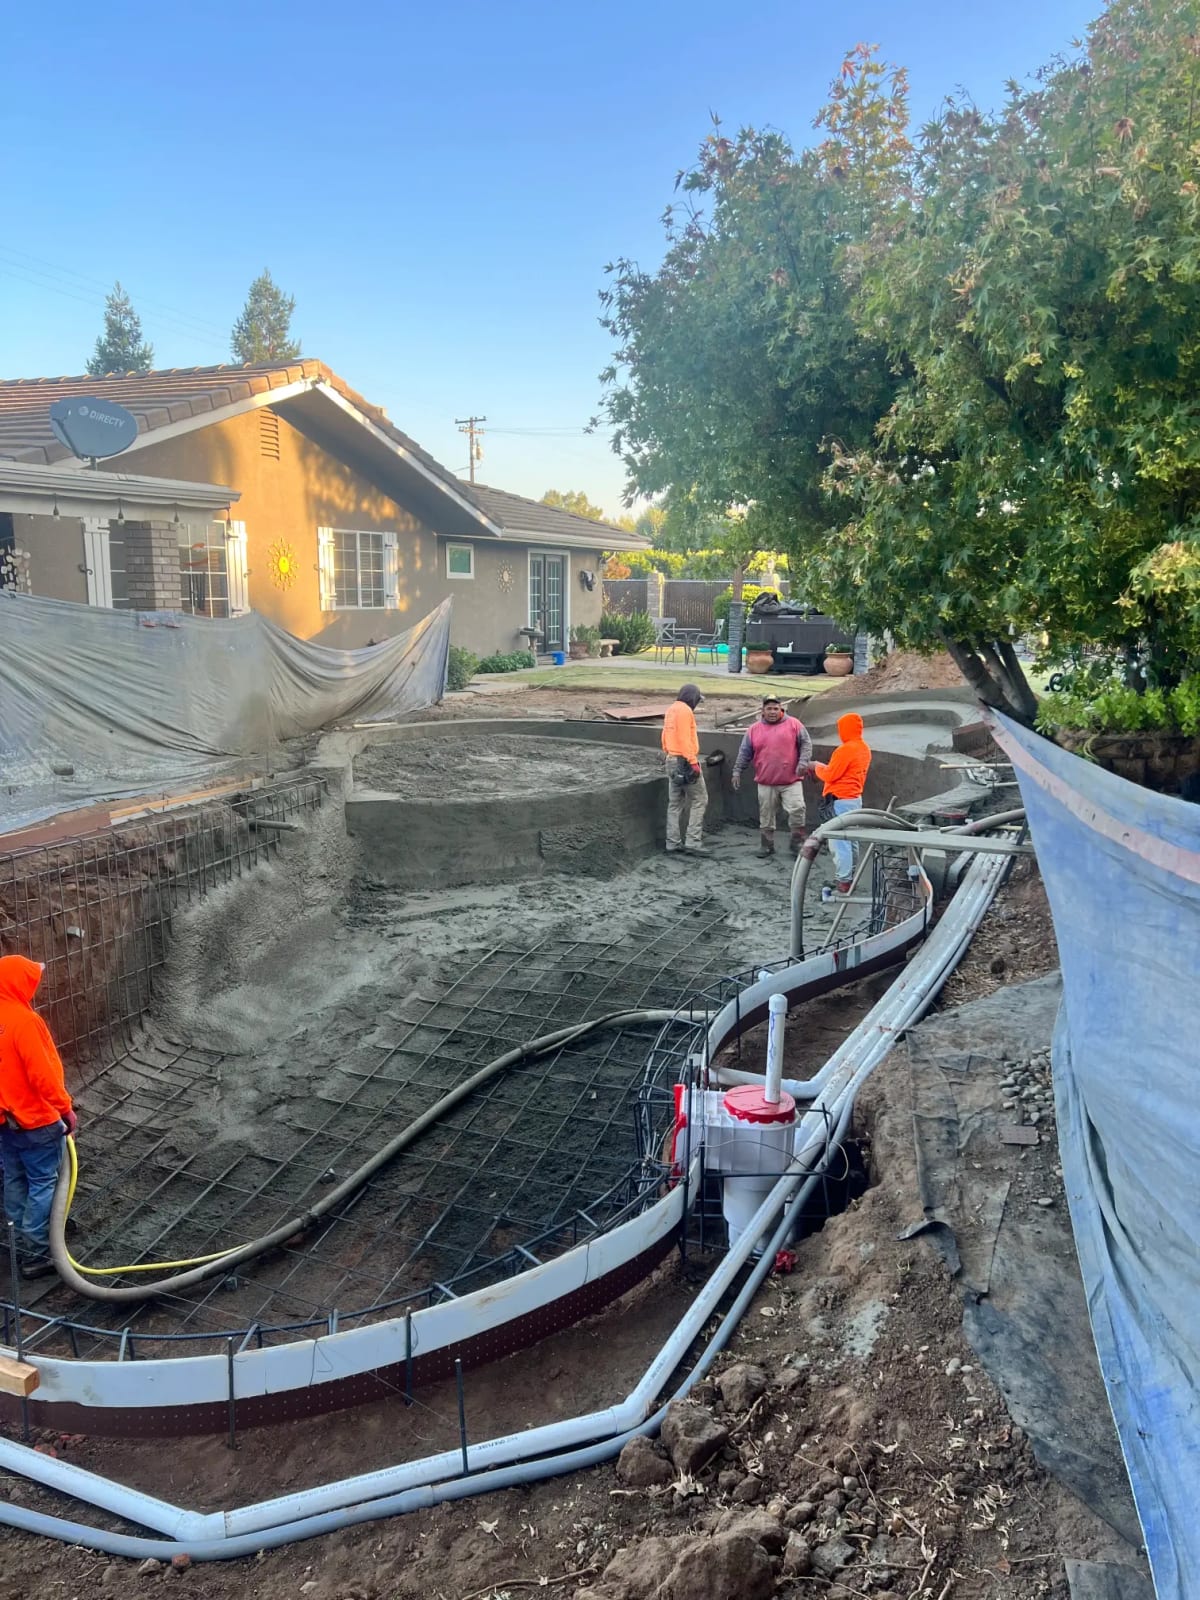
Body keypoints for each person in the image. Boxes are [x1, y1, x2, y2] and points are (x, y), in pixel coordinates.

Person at [0, 956, 77, 1278]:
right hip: (35, 1120)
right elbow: (42, 1076)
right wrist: (64, 1107)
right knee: (43, 1183)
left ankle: (21, 1242)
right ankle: (38, 1252)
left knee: (14, 1181)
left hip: (5, 1123)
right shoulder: (25, 1022)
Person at [731, 695, 814, 858]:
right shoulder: (754, 730)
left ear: (781, 709)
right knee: (766, 815)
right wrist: (736, 771)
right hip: (766, 781)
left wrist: (803, 762)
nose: (772, 712)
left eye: (776, 708)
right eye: (769, 708)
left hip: (791, 780)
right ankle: (767, 845)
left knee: (798, 808)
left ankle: (797, 842)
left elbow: (806, 744)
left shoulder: (794, 724)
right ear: (762, 711)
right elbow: (744, 753)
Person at [812, 712, 872, 893]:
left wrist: (815, 766)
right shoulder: (863, 747)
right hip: (854, 800)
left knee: (840, 842)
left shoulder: (846, 749)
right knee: (851, 840)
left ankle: (844, 882)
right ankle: (849, 878)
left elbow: (830, 774)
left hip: (840, 801)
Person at [661, 683, 708, 856]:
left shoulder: (672, 709)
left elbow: (665, 735)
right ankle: (693, 842)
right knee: (700, 799)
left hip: (672, 759)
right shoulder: (685, 711)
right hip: (684, 761)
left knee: (675, 803)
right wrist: (693, 761)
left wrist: (668, 753)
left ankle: (672, 843)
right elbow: (684, 738)